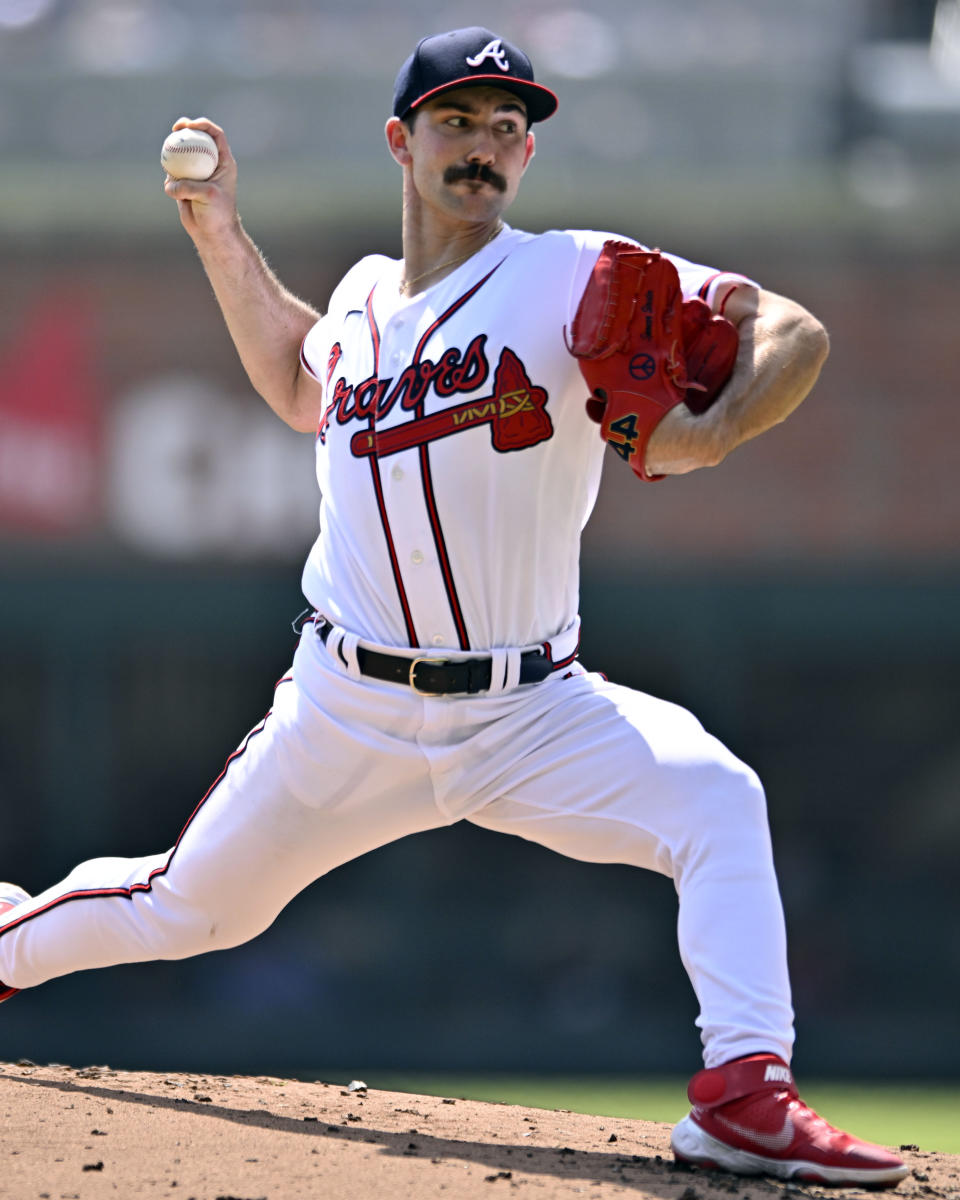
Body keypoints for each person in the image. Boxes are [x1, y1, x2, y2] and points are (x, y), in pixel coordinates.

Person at [0, 26, 906, 1187]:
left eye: (509, 129)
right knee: (183, 909)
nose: (486, 147)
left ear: (526, 157)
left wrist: (714, 429)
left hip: (533, 710)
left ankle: (743, 1094)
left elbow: (793, 332)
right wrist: (222, 234)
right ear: (403, 140)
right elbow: (295, 379)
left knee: (718, 800)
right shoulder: (367, 299)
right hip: (344, 711)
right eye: (459, 122)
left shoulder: (578, 270)